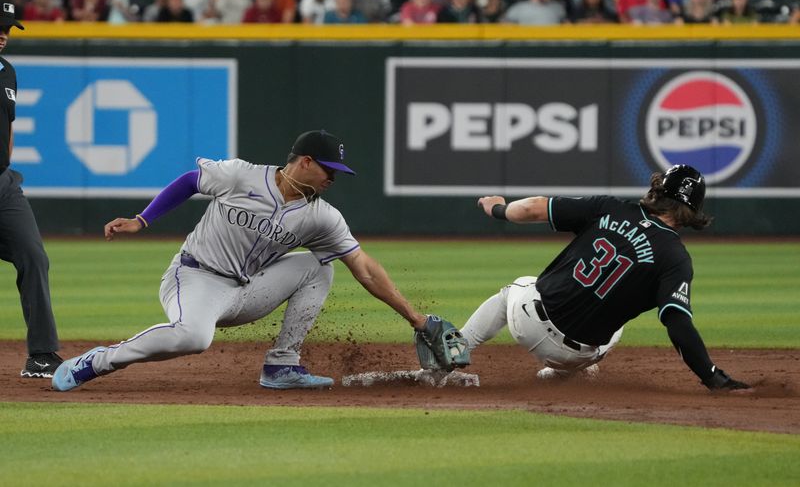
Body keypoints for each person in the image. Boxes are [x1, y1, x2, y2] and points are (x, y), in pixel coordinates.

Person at [52, 130, 443, 392]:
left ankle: (281, 365)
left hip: (245, 290)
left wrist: (417, 318)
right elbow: (191, 181)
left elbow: (364, 267)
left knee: (319, 265)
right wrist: (142, 219)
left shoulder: (322, 216)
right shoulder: (243, 176)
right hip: (195, 277)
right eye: (329, 169)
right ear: (305, 162)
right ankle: (100, 361)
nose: (333, 179)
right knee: (194, 337)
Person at [461, 165, 750, 392]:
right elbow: (678, 324)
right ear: (693, 210)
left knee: (517, 286)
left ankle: (454, 351)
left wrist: (496, 209)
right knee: (615, 327)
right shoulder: (676, 258)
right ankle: (561, 372)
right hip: (576, 355)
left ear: (658, 189)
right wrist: (713, 377)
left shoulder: (609, 208)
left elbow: (534, 206)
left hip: (529, 323)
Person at [0, 0, 62, 378]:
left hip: (3, 185)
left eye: (7, 28)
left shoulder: (7, 71)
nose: (3, 34)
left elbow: (8, 129)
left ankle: (42, 354)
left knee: (34, 258)